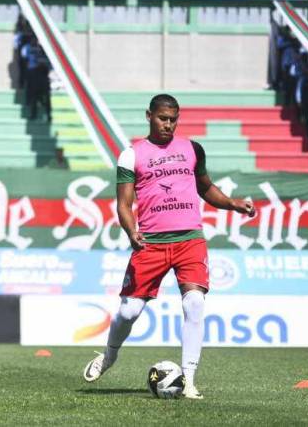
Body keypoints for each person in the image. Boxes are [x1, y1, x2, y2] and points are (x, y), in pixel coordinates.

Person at [83, 94, 256, 399]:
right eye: (163, 118)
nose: (168, 124)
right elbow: (123, 204)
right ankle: (110, 355)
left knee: (194, 303)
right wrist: (131, 231)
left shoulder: (192, 149)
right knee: (129, 311)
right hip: (151, 243)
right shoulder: (131, 155)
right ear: (149, 115)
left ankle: (188, 379)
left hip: (189, 239)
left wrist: (232, 203)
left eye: (173, 119)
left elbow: (206, 188)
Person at [21, 35, 52, 121]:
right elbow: (26, 59)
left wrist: (43, 63)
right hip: (34, 75)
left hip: (43, 77)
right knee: (34, 96)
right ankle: (33, 113)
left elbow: (49, 66)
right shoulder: (30, 50)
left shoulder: (46, 55)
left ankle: (48, 114)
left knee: (46, 97)